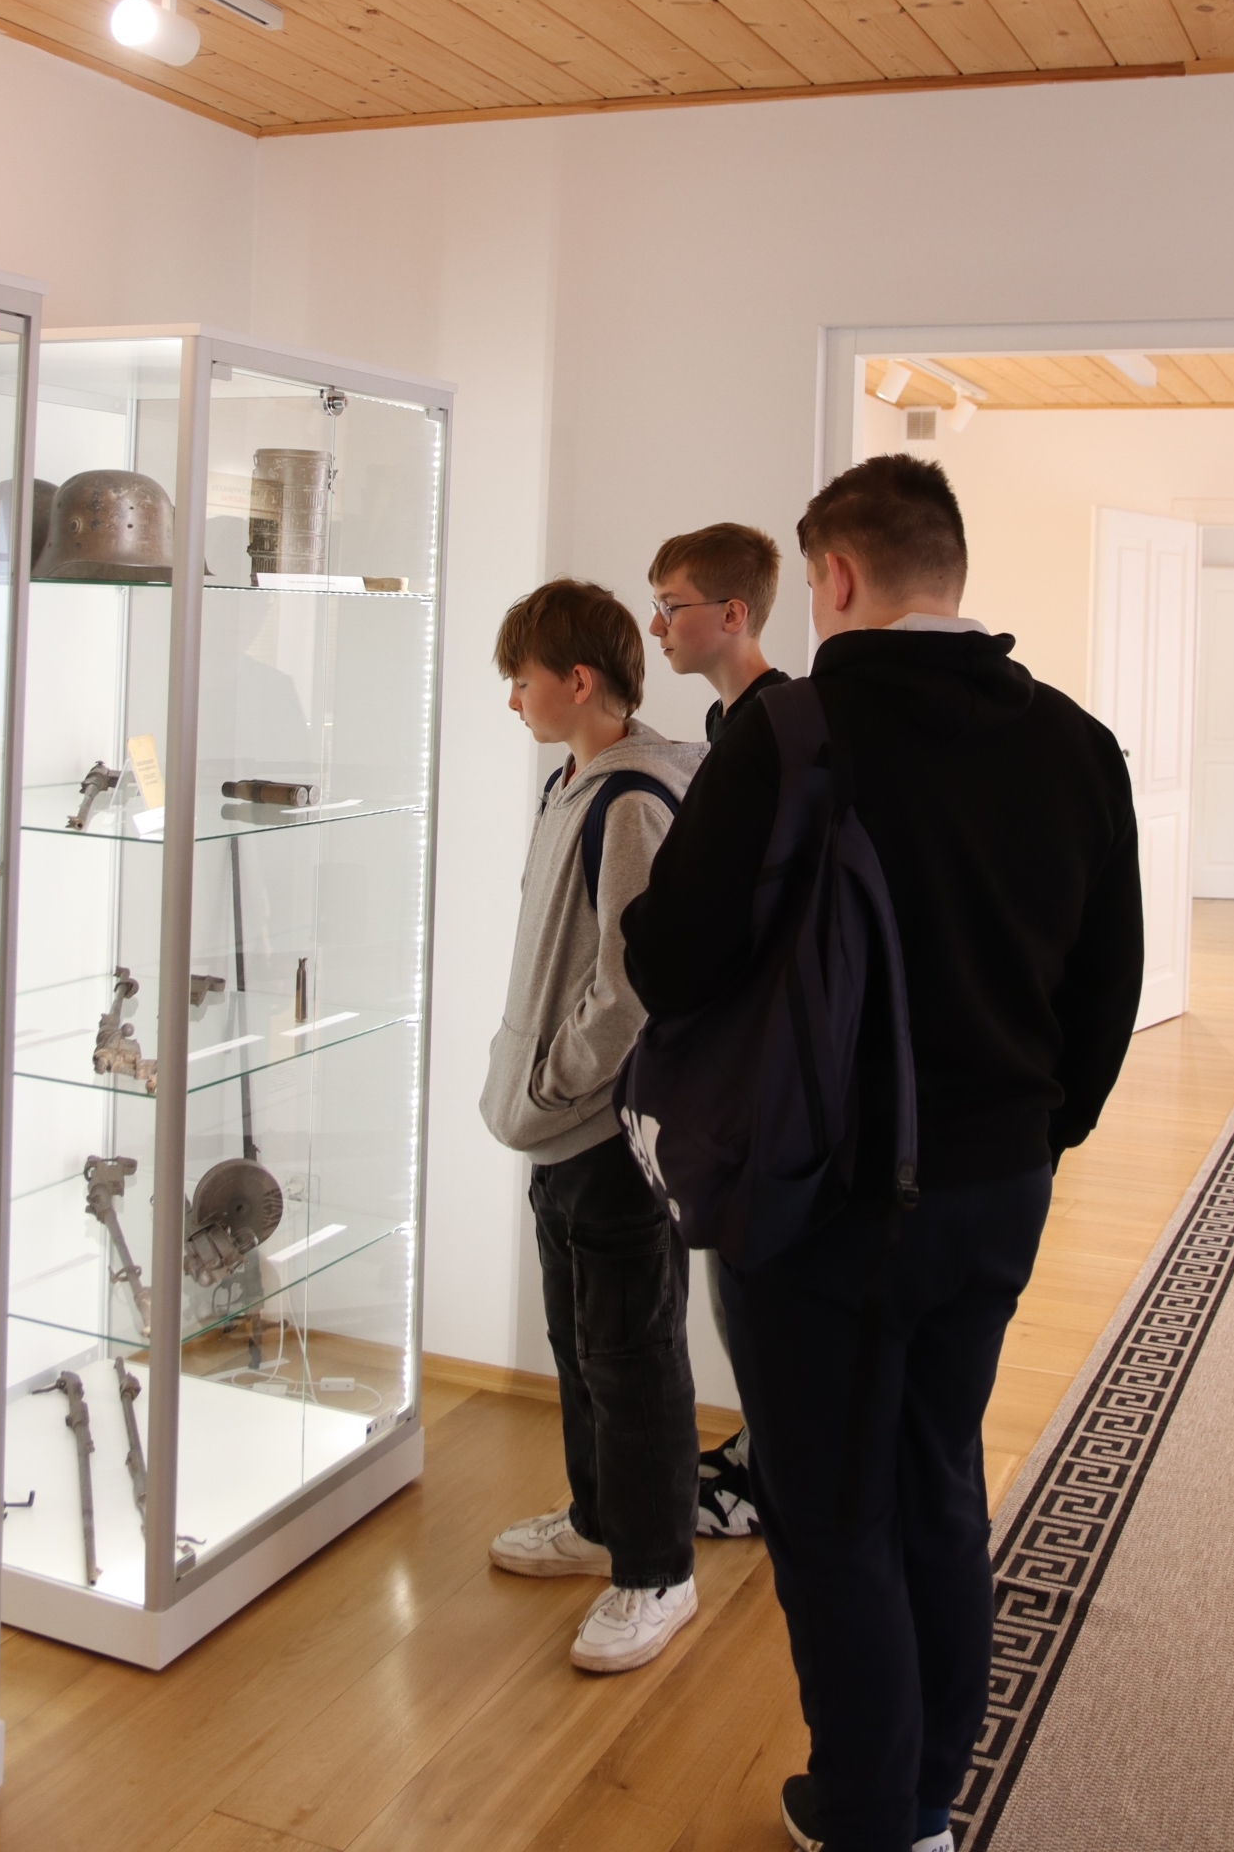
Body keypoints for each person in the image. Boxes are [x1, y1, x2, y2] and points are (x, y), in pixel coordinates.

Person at [622, 456, 1142, 1851]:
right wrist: (1031, 1134)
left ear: (837, 576)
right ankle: (923, 1798)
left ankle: (868, 1816)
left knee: (831, 1512)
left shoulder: (791, 733)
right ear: (949, 569)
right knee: (938, 1481)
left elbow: (669, 959)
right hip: (998, 1192)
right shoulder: (1077, 742)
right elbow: (1108, 992)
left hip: (822, 1197)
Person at [481, 577, 706, 1674]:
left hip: (606, 1133)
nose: (511, 696)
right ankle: (597, 1523)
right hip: (554, 1125)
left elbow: (629, 986)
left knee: (632, 1355)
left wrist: (559, 1079)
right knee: (577, 1344)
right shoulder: (567, 783)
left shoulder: (631, 803)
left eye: (521, 677)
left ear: (578, 681)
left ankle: (657, 1571)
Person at [647, 521, 789, 1540]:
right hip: (734, 1053)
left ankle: (770, 1479)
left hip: (761, 1062)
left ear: (732, 614)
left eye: (672, 606)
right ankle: (757, 1453)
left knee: (754, 1288)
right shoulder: (729, 723)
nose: (657, 625)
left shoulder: (776, 729)